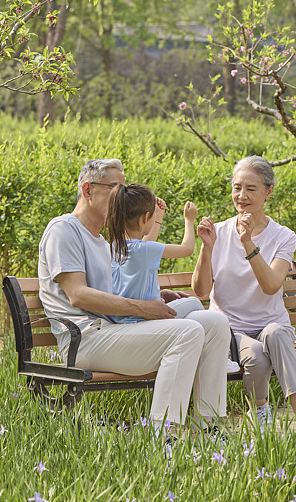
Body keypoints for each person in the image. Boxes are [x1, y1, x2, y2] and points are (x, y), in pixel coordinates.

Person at [38, 158, 230, 439]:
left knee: (214, 322)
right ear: (88, 189)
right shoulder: (63, 230)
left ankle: (209, 427)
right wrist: (143, 308)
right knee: (187, 331)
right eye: (114, 188)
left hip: (114, 330)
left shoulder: (101, 241)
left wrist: (156, 296)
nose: (121, 196)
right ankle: (165, 436)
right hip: (85, 339)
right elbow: (77, 295)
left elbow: (113, 293)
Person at [191, 155, 296, 449]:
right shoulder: (220, 232)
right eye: (237, 187)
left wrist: (249, 244)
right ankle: (261, 415)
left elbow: (271, 286)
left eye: (251, 189)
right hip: (231, 331)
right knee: (254, 354)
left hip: (271, 323)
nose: (241, 196)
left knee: (278, 334)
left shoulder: (283, 236)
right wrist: (206, 247)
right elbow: (201, 291)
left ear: (268, 192)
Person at [107, 183, 205, 323]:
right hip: (144, 320)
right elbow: (187, 249)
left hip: (124, 320)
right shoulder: (144, 250)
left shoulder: (115, 247)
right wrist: (189, 220)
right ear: (145, 218)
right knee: (194, 303)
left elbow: (146, 244)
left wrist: (158, 216)